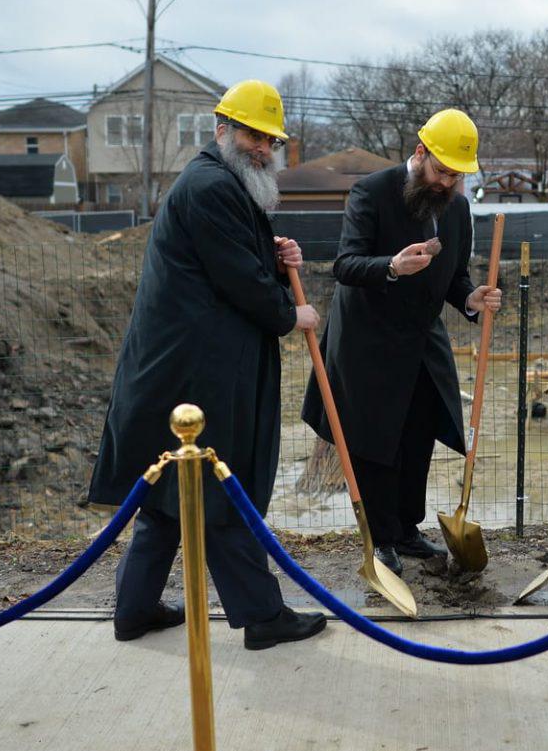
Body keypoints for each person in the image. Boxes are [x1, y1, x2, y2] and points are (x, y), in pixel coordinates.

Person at [89, 79, 328, 650]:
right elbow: (236, 278)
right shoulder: (211, 185)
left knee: (171, 493)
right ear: (222, 128)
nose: (262, 147)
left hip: (184, 368)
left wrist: (275, 256)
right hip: (195, 374)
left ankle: (135, 608)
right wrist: (291, 312)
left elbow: (234, 258)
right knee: (221, 491)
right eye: (252, 134)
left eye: (269, 139)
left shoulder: (220, 184)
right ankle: (262, 615)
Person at [300, 109, 502, 575]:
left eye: (456, 176)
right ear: (419, 154)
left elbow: (456, 278)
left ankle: (408, 530)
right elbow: (345, 265)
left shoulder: (458, 208)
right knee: (375, 443)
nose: (446, 183)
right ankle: (380, 539)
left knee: (418, 434)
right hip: (366, 340)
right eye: (441, 171)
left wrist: (471, 298)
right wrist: (391, 266)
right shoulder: (370, 192)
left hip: (421, 338)